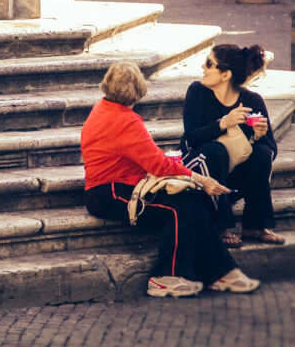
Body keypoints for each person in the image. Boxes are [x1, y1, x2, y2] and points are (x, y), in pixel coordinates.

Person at [81, 59, 260, 297]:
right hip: (111, 193)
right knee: (182, 207)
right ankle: (165, 277)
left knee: (191, 202)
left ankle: (221, 272)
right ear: (137, 91)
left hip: (115, 188)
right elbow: (158, 164)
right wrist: (202, 179)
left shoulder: (102, 107)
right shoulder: (126, 121)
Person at [180, 44, 284, 248]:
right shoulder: (197, 92)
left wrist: (258, 136)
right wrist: (222, 124)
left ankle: (255, 225)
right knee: (216, 150)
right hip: (197, 173)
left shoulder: (252, 100)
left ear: (226, 74)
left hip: (231, 180)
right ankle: (222, 226)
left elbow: (272, 151)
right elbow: (190, 139)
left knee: (262, 153)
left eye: (210, 63)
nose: (203, 67)